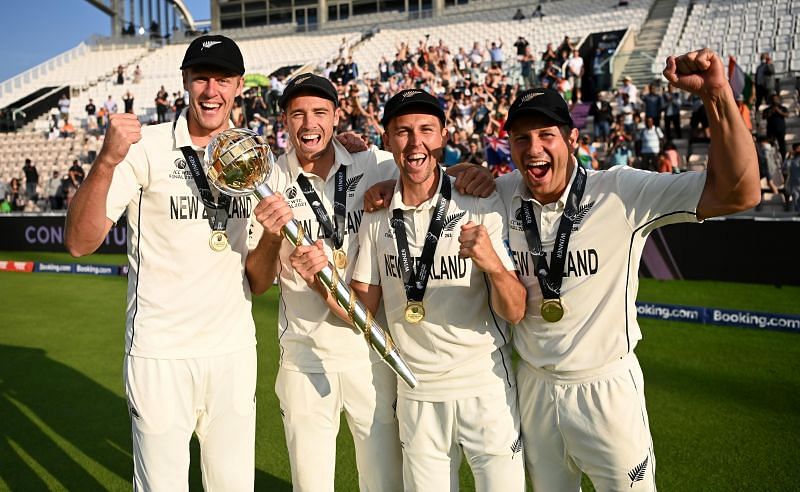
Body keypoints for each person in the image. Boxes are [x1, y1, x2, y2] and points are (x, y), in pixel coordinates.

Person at [495, 48, 759, 491]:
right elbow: (429, 181)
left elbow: (739, 193)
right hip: (533, 386)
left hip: (605, 387)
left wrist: (717, 95)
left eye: (546, 135)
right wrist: (379, 182)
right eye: (521, 139)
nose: (533, 149)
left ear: (571, 140)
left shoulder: (621, 190)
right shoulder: (501, 193)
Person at [247, 75, 496, 492]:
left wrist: (472, 171)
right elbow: (257, 282)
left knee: (384, 484)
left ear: (336, 116)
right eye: (298, 114)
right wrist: (274, 237)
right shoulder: (267, 182)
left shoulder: (374, 163)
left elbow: (424, 168)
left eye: (320, 113)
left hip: (373, 354)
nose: (310, 124)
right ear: (284, 121)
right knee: (311, 485)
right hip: (306, 358)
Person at [65, 35, 262, 491]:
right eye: (201, 78)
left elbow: (258, 273)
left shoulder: (253, 159)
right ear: (185, 83)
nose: (211, 90)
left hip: (232, 352)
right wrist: (107, 158)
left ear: (238, 88)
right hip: (160, 353)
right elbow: (79, 242)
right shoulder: (145, 147)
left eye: (223, 79)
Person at [312, 89, 526, 490]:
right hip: (416, 390)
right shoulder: (376, 215)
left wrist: (492, 265)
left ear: (443, 135)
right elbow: (363, 310)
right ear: (388, 139)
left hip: (484, 385)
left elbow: (514, 311)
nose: (415, 143)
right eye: (403, 132)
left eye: (426, 130)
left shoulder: (478, 199)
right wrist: (320, 278)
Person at [783, 142, 800, 213]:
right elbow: (784, 169)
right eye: (798, 148)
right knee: (796, 203)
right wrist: (788, 157)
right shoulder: (791, 159)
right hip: (795, 185)